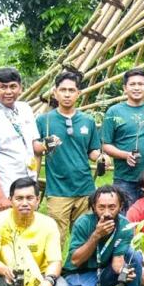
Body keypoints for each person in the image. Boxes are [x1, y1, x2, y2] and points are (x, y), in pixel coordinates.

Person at [0, 178, 68, 286]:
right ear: (10, 200)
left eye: (29, 198)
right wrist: (4, 270)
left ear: (38, 200)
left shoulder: (48, 224)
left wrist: (48, 281)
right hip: (11, 277)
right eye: (19, 198)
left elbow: (55, 262)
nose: (24, 203)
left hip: (39, 277)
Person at [37, 71, 102, 240]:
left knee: (85, 237)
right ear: (55, 92)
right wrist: (46, 144)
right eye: (63, 90)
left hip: (85, 188)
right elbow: (34, 147)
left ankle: (80, 268)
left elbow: (92, 151)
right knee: (55, 239)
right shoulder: (44, 120)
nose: (67, 94)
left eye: (71, 90)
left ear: (78, 93)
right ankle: (56, 268)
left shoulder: (88, 121)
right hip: (58, 190)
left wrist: (101, 157)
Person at [63, 186, 144, 286]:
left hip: (104, 271)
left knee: (133, 255)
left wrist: (124, 272)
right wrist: (96, 235)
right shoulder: (83, 223)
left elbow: (118, 262)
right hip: (79, 272)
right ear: (94, 207)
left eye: (112, 207)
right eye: (101, 207)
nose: (107, 213)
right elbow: (75, 261)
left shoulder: (125, 226)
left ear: (120, 206)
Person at [101, 67, 144, 211]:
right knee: (126, 221)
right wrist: (125, 155)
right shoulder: (114, 112)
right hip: (125, 179)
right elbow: (106, 145)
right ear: (125, 88)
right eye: (132, 84)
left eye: (140, 84)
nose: (137, 88)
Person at [0, 67, 40, 210]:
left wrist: (49, 144)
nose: (8, 92)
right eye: (3, 87)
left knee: (29, 230)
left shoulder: (25, 109)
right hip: (7, 187)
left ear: (20, 88)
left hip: (29, 185)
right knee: (6, 230)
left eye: (13, 86)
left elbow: (34, 145)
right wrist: (0, 196)